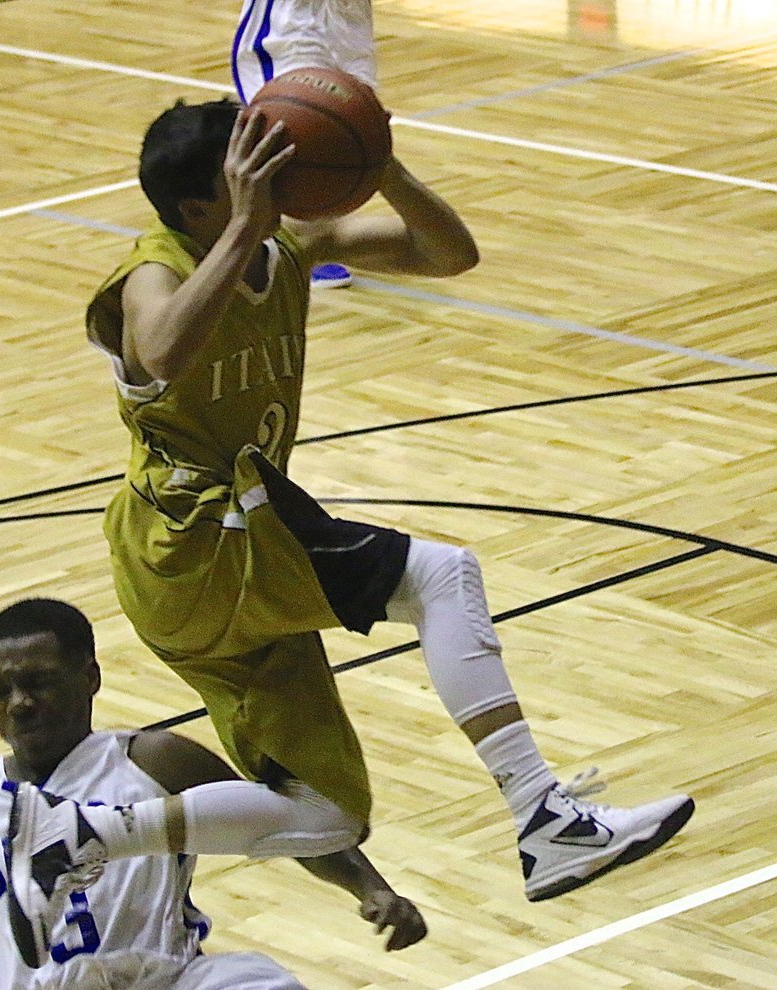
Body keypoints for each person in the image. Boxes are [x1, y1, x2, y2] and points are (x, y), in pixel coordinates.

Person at [50, 93, 692, 933]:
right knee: (442, 576)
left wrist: (378, 164)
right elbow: (163, 349)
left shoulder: (287, 244)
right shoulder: (155, 271)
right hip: (192, 542)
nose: (272, 180)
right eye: (248, 171)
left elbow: (449, 253)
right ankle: (545, 817)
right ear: (199, 206)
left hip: (226, 556)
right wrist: (245, 226)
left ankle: (88, 836)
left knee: (326, 815)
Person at [0, 598, 426, 989]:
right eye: (0, 690)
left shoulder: (153, 762)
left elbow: (277, 824)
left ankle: (90, 834)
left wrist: (371, 887)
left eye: (37, 683)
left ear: (90, 678)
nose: (19, 703)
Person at [231, 0, 378, 290]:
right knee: (290, 119)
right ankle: (264, 234)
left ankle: (304, 231)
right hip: (293, 13)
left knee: (353, 116)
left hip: (349, 10)